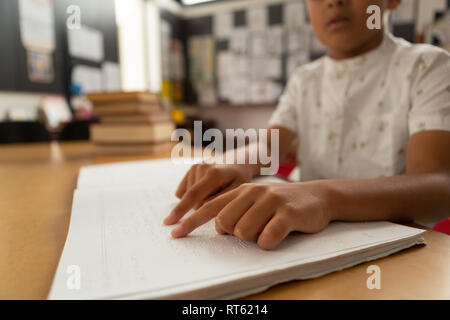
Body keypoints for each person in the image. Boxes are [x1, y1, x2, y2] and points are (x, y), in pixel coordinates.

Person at [164, 0, 450, 250]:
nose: (333, 2)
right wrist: (236, 161)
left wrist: (324, 197)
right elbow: (269, 146)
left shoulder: (428, 66)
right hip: (310, 244)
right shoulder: (305, 79)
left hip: (402, 250)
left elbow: (439, 186)